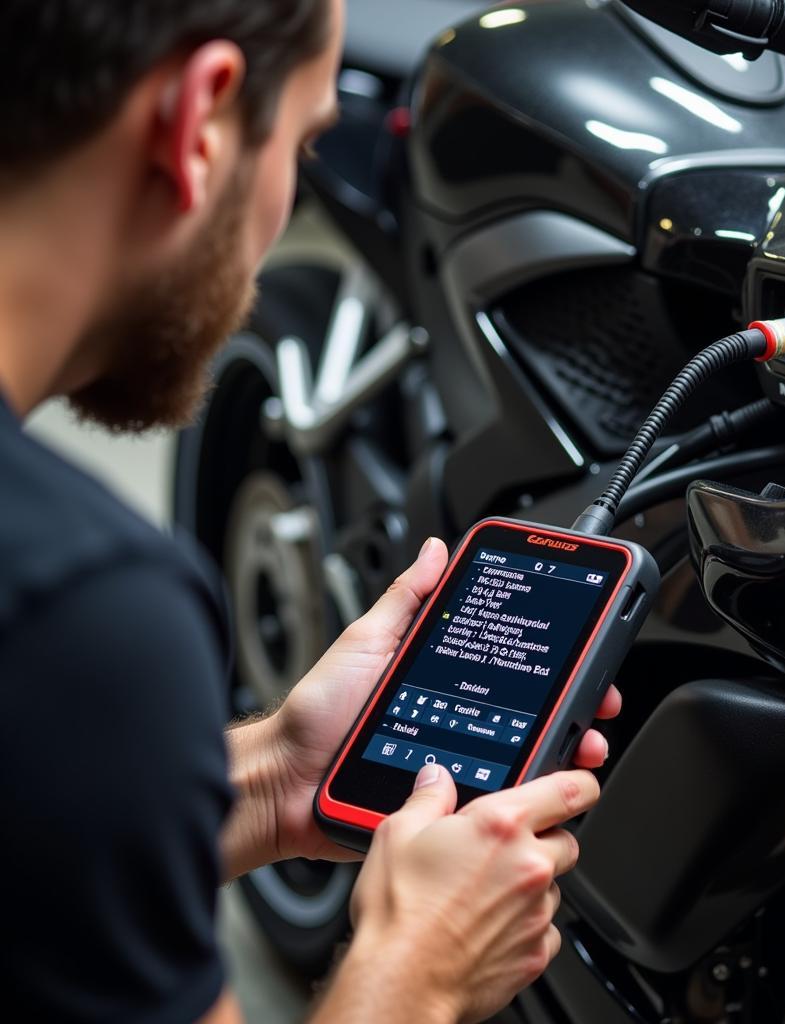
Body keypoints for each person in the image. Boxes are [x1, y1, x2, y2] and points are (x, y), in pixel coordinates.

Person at [0, 2, 622, 1021]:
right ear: (199, 121)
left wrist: (275, 780)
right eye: (303, 138)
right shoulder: (86, 618)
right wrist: (415, 971)